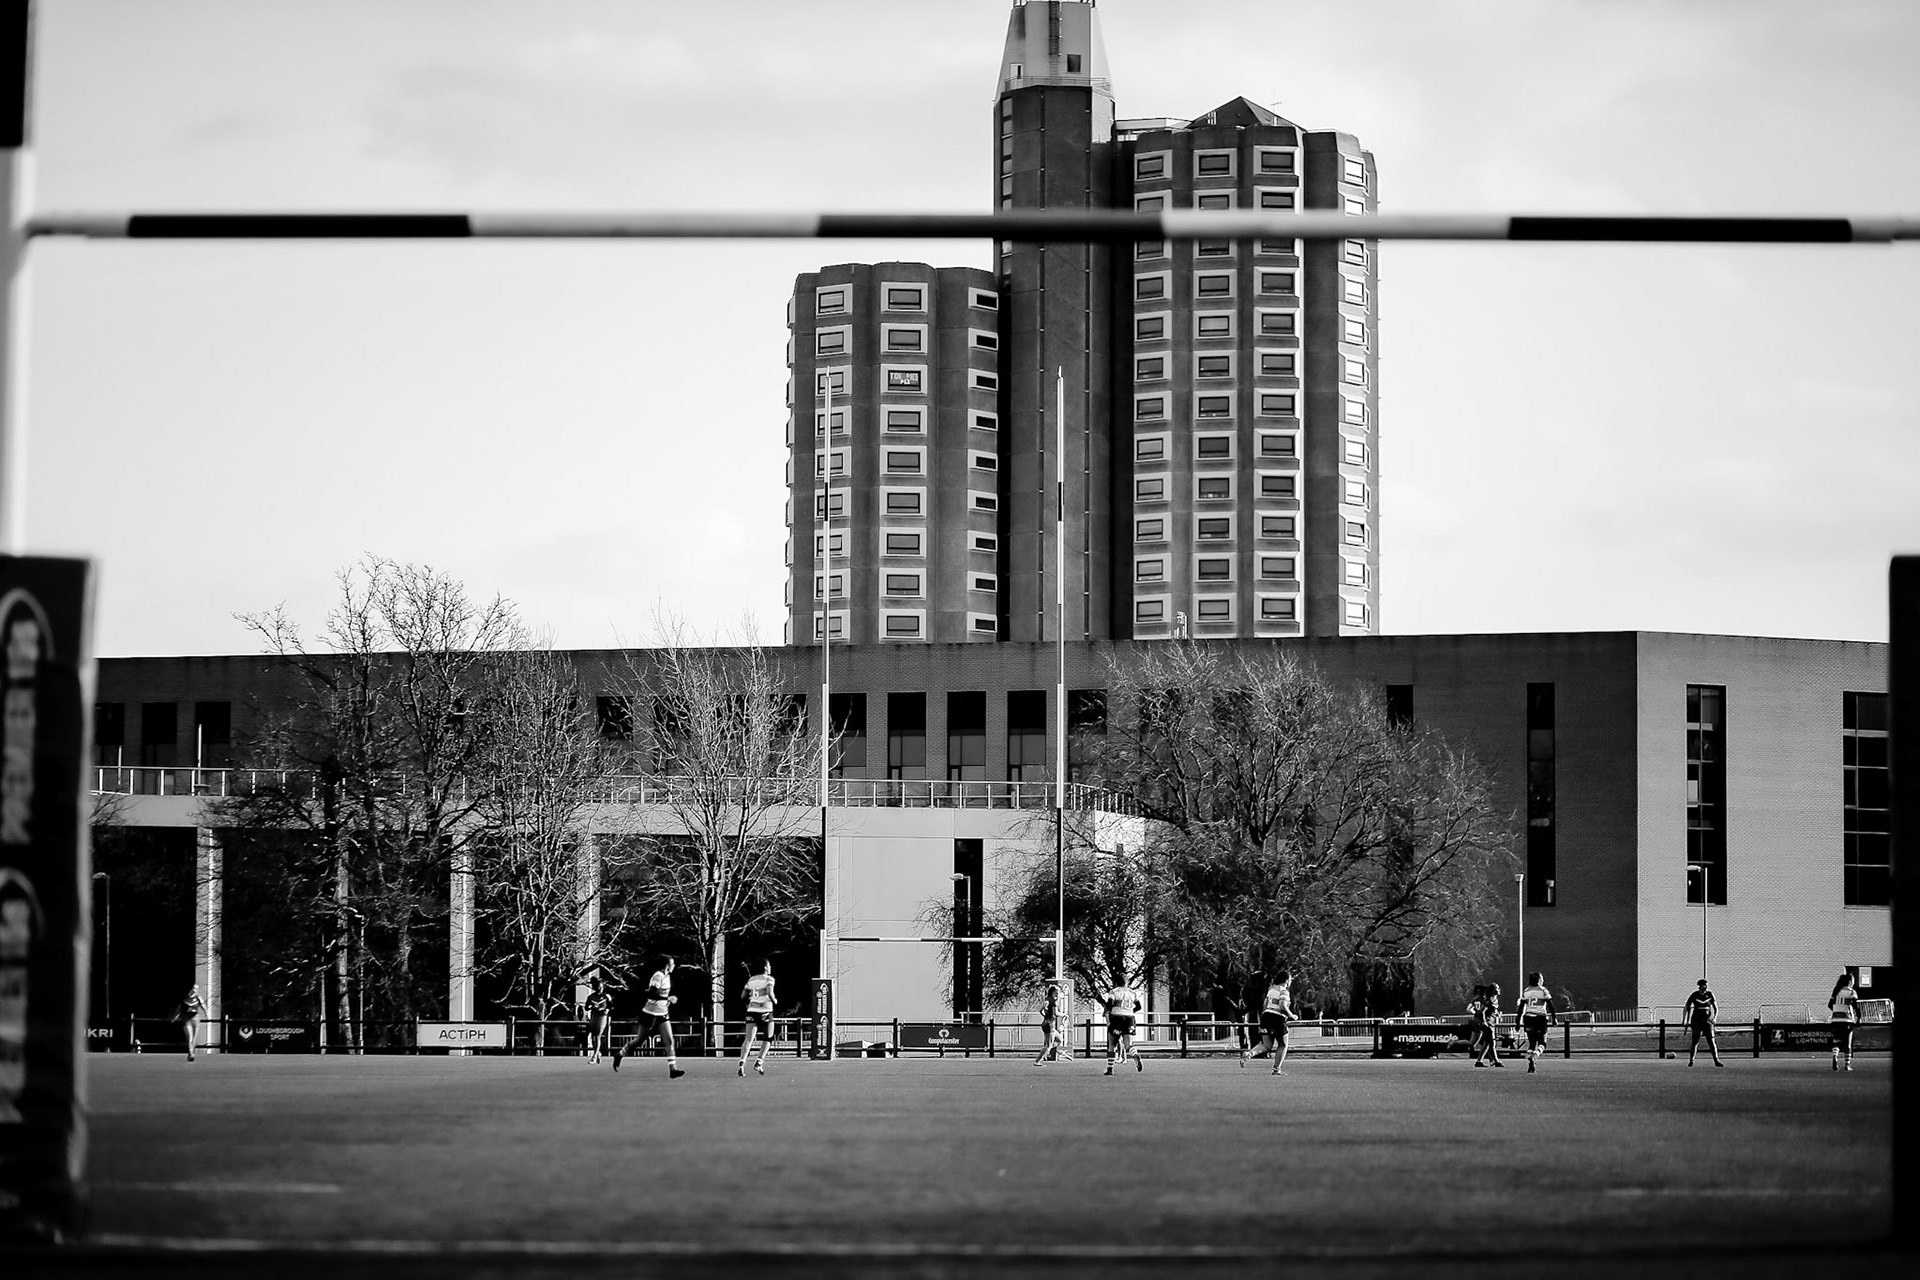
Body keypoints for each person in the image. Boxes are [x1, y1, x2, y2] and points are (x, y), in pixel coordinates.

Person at [613, 955, 685, 1079]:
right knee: (639, 1040)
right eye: (672, 964)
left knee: (669, 1041)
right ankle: (619, 1054)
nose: (674, 966)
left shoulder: (668, 977)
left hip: (662, 1014)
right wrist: (667, 998)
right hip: (649, 1014)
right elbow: (651, 994)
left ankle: (673, 1069)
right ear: (667, 965)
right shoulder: (658, 976)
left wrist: (666, 1001)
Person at [1241, 970, 1296, 1075]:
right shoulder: (1284, 991)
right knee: (1283, 1045)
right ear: (1286, 980)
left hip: (1266, 1017)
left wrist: (1264, 1018)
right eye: (1290, 979)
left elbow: (1265, 1004)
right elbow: (1283, 1006)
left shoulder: (1271, 990)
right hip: (1277, 1018)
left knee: (1266, 1045)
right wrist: (1291, 1015)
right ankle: (1277, 1069)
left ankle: (1249, 1054)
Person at [738, 959, 776, 1077]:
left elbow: (743, 995)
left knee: (749, 1039)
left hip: (751, 1011)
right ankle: (759, 1062)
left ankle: (742, 1063)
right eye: (769, 965)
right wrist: (774, 1000)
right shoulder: (769, 979)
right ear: (765, 967)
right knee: (768, 1037)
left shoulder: (751, 979)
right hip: (765, 1011)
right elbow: (770, 992)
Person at [1102, 978, 1143, 1075]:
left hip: (1116, 1018)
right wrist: (1130, 1011)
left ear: (1116, 982)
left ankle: (1110, 1069)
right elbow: (1139, 1007)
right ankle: (1135, 1054)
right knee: (1128, 1045)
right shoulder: (1132, 993)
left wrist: (1106, 1010)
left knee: (1112, 1044)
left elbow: (1110, 1004)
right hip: (1129, 1019)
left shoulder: (1114, 991)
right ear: (1126, 983)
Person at [1516, 972, 1556, 1073]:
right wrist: (1554, 1018)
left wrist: (1517, 1021)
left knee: (1532, 1043)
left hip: (1528, 1018)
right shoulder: (1543, 990)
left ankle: (1530, 1063)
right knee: (1542, 1043)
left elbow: (1521, 1007)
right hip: (1540, 1018)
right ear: (1539, 980)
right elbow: (1550, 1004)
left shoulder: (1526, 991)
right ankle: (1535, 1055)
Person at [1681, 979, 1724, 1067]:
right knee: (1695, 1041)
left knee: (1711, 1041)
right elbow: (1686, 1007)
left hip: (1707, 1021)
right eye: (1705, 985)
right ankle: (1691, 1061)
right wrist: (1684, 1020)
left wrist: (1714, 1018)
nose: (1706, 987)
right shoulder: (1694, 995)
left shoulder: (1710, 995)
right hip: (1696, 1020)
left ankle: (1716, 1060)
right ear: (1700, 986)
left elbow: (1716, 1008)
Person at [1828, 972, 1862, 1072]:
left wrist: (1837, 1010)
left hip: (1835, 1020)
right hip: (1847, 1020)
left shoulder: (1836, 991)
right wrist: (1858, 1017)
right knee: (1848, 1043)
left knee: (1836, 1041)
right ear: (1850, 981)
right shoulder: (1852, 992)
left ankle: (1835, 1056)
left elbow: (1830, 1005)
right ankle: (1847, 1065)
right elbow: (1855, 1006)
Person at [1033, 977, 1070, 1066]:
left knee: (1059, 1039)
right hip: (1050, 1025)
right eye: (1057, 991)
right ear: (1054, 991)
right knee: (1048, 1045)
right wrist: (1064, 1014)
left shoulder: (1047, 999)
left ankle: (1049, 1052)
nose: (1058, 992)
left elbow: (1041, 1011)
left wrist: (1045, 1017)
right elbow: (1055, 1013)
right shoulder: (1054, 1001)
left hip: (1045, 1023)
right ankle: (1038, 1060)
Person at [581, 975, 613, 1065]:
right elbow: (586, 1007)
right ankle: (598, 1052)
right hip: (594, 1016)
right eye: (598, 986)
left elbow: (611, 1006)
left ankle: (594, 1056)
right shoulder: (591, 997)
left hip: (602, 1017)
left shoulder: (606, 996)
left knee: (598, 1035)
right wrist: (592, 1007)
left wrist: (606, 1009)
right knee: (594, 1036)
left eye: (601, 986)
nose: (600, 988)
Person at [1471, 983, 1505, 1068]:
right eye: (1497, 989)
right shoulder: (1489, 1000)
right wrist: (1485, 1022)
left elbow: (1494, 1010)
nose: (1499, 990)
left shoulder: (1495, 999)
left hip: (1491, 1022)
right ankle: (1496, 1061)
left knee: (1486, 1044)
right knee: (1492, 1043)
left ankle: (1479, 1061)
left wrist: (1498, 1016)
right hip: (1488, 1024)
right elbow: (1482, 1011)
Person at [178, 984, 205, 1062]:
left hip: (195, 1019)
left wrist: (206, 1013)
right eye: (193, 989)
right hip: (187, 1019)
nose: (194, 990)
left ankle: (192, 1053)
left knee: (194, 1038)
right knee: (190, 1037)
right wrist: (175, 1017)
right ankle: (190, 1053)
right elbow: (179, 1009)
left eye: (196, 989)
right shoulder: (185, 998)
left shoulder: (198, 998)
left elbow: (204, 1006)